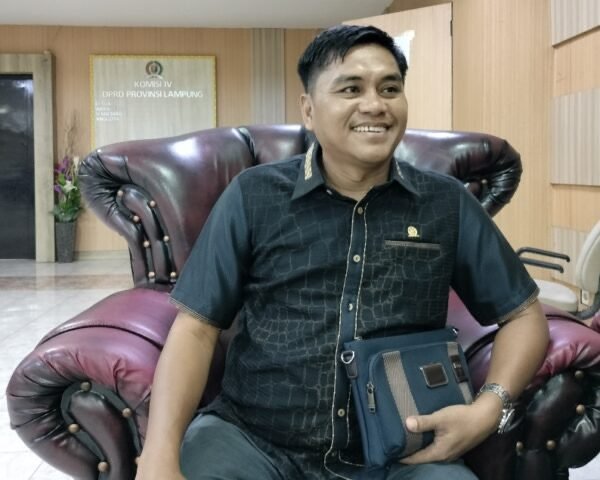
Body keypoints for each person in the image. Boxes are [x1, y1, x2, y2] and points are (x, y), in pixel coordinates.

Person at [135, 25, 549, 480]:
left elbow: (524, 316)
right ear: (309, 110)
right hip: (251, 439)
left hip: (401, 454)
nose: (375, 105)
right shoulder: (254, 196)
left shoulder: (445, 203)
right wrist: (158, 455)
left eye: (389, 88)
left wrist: (488, 408)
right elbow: (195, 329)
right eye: (351, 89)